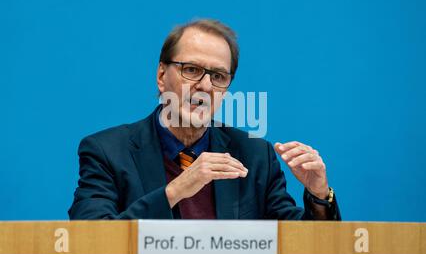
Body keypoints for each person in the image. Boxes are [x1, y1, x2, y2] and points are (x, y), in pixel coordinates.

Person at [68, 19, 341, 220]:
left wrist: (318, 194)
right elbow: (91, 238)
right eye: (192, 70)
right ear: (162, 76)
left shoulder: (255, 155)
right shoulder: (107, 151)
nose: (206, 86)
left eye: (218, 77)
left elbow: (298, 246)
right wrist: (175, 191)